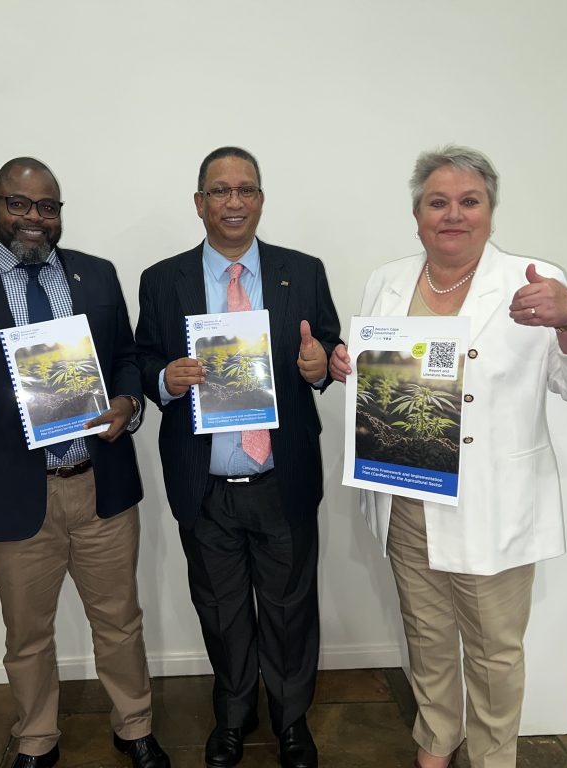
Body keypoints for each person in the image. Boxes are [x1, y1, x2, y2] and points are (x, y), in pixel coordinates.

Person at [329, 145, 567, 768]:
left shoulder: (532, 281)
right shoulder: (388, 281)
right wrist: (348, 369)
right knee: (427, 635)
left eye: (470, 201)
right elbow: (391, 381)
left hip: (491, 502)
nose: (453, 215)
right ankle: (437, 739)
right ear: (417, 214)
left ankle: (495, 755)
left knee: (494, 651)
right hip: (406, 494)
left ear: (491, 211)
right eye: (437, 202)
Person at [0, 157, 169, 768]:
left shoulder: (97, 276)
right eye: (19, 204)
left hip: (98, 483)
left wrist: (128, 402)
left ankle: (134, 726)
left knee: (120, 621)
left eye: (47, 207)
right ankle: (36, 736)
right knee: (26, 633)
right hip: (14, 492)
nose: (33, 218)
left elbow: (127, 357)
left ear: (59, 215)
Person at [134, 147, 342, 768]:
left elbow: (327, 346)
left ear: (260, 200)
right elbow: (142, 359)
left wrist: (318, 365)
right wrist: (165, 378)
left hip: (283, 476)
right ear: (199, 203)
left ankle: (291, 721)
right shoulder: (161, 279)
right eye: (219, 191)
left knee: (288, 611)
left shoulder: (301, 272)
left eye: (245, 190)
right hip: (207, 482)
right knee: (221, 613)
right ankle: (233, 715)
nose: (233, 202)